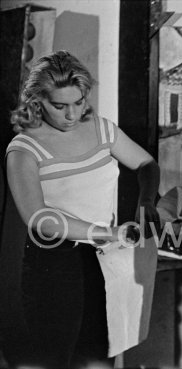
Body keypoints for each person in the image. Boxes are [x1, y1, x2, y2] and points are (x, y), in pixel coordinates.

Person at [2, 50, 160, 368]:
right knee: (57, 360)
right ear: (36, 101)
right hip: (55, 264)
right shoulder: (24, 149)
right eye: (59, 106)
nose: (72, 114)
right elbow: (38, 217)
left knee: (102, 357)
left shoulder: (101, 129)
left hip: (104, 260)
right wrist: (107, 232)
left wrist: (146, 200)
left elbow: (146, 164)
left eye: (78, 102)